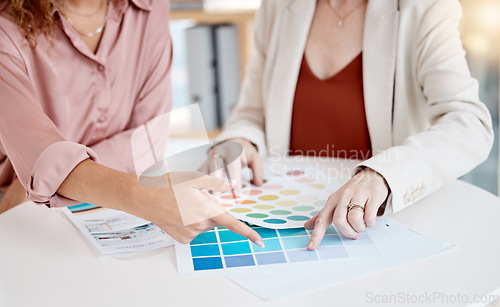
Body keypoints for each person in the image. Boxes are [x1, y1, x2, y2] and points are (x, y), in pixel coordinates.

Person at [205, 0, 493, 249]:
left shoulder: (424, 7)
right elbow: (251, 113)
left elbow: (469, 122)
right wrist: (241, 142)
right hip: (282, 221)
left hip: (374, 227)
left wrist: (382, 175)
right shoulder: (278, 7)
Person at [0, 0, 264, 246]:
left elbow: (148, 139)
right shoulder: (5, 26)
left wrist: (57, 176)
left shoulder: (149, 7)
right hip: (22, 219)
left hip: (94, 208)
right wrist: (149, 198)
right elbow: (39, 158)